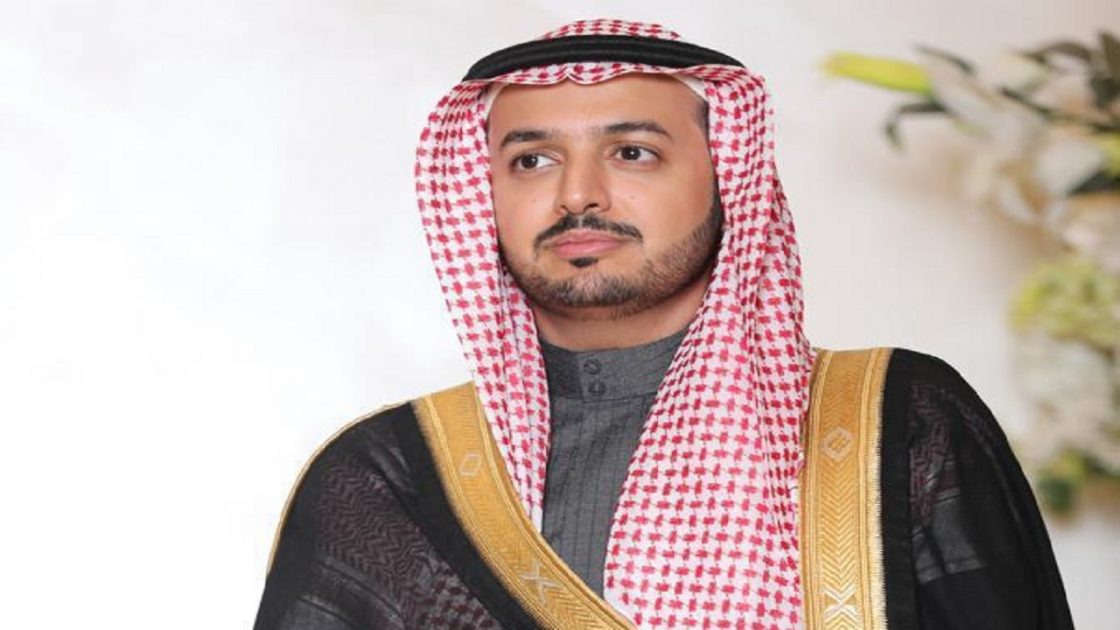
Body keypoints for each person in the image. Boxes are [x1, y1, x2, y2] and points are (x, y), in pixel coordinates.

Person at [252, 19, 1074, 629]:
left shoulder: (895, 423)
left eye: (632, 152)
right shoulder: (391, 475)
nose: (578, 194)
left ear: (726, 177)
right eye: (532, 160)